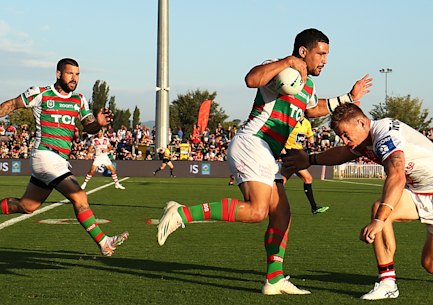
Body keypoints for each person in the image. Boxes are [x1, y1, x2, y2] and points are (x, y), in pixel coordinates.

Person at [156, 28, 372, 295]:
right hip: (253, 142)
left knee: (282, 214)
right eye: (321, 53)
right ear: (304, 51)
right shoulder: (281, 70)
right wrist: (287, 62)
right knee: (257, 211)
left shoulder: (308, 85)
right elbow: (251, 79)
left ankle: (274, 278)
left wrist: (349, 97)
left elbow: (313, 108)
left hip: (268, 152)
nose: (325, 60)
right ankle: (181, 214)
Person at [283, 103, 433, 300]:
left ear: (362, 122)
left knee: (432, 265)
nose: (344, 140)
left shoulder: (385, 136)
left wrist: (379, 221)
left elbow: (397, 175)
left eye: (346, 134)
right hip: (417, 192)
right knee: (379, 208)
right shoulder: (364, 138)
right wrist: (311, 159)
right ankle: (388, 282)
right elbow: (343, 154)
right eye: (340, 136)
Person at [0, 58, 129, 256]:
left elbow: (90, 127)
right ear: (59, 74)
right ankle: (104, 241)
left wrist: (100, 123)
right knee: (79, 196)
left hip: (59, 160)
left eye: (77, 74)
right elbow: (11, 105)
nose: (74, 78)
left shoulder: (79, 100)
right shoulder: (41, 93)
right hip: (45, 155)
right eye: (70, 73)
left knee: (27, 206)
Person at [281, 116, 329, 214]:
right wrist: (281, 147)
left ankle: (266, 202)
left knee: (281, 182)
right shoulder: (290, 120)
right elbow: (280, 134)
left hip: (298, 152)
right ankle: (314, 207)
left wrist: (312, 140)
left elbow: (309, 135)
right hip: (290, 152)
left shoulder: (306, 122)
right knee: (306, 179)